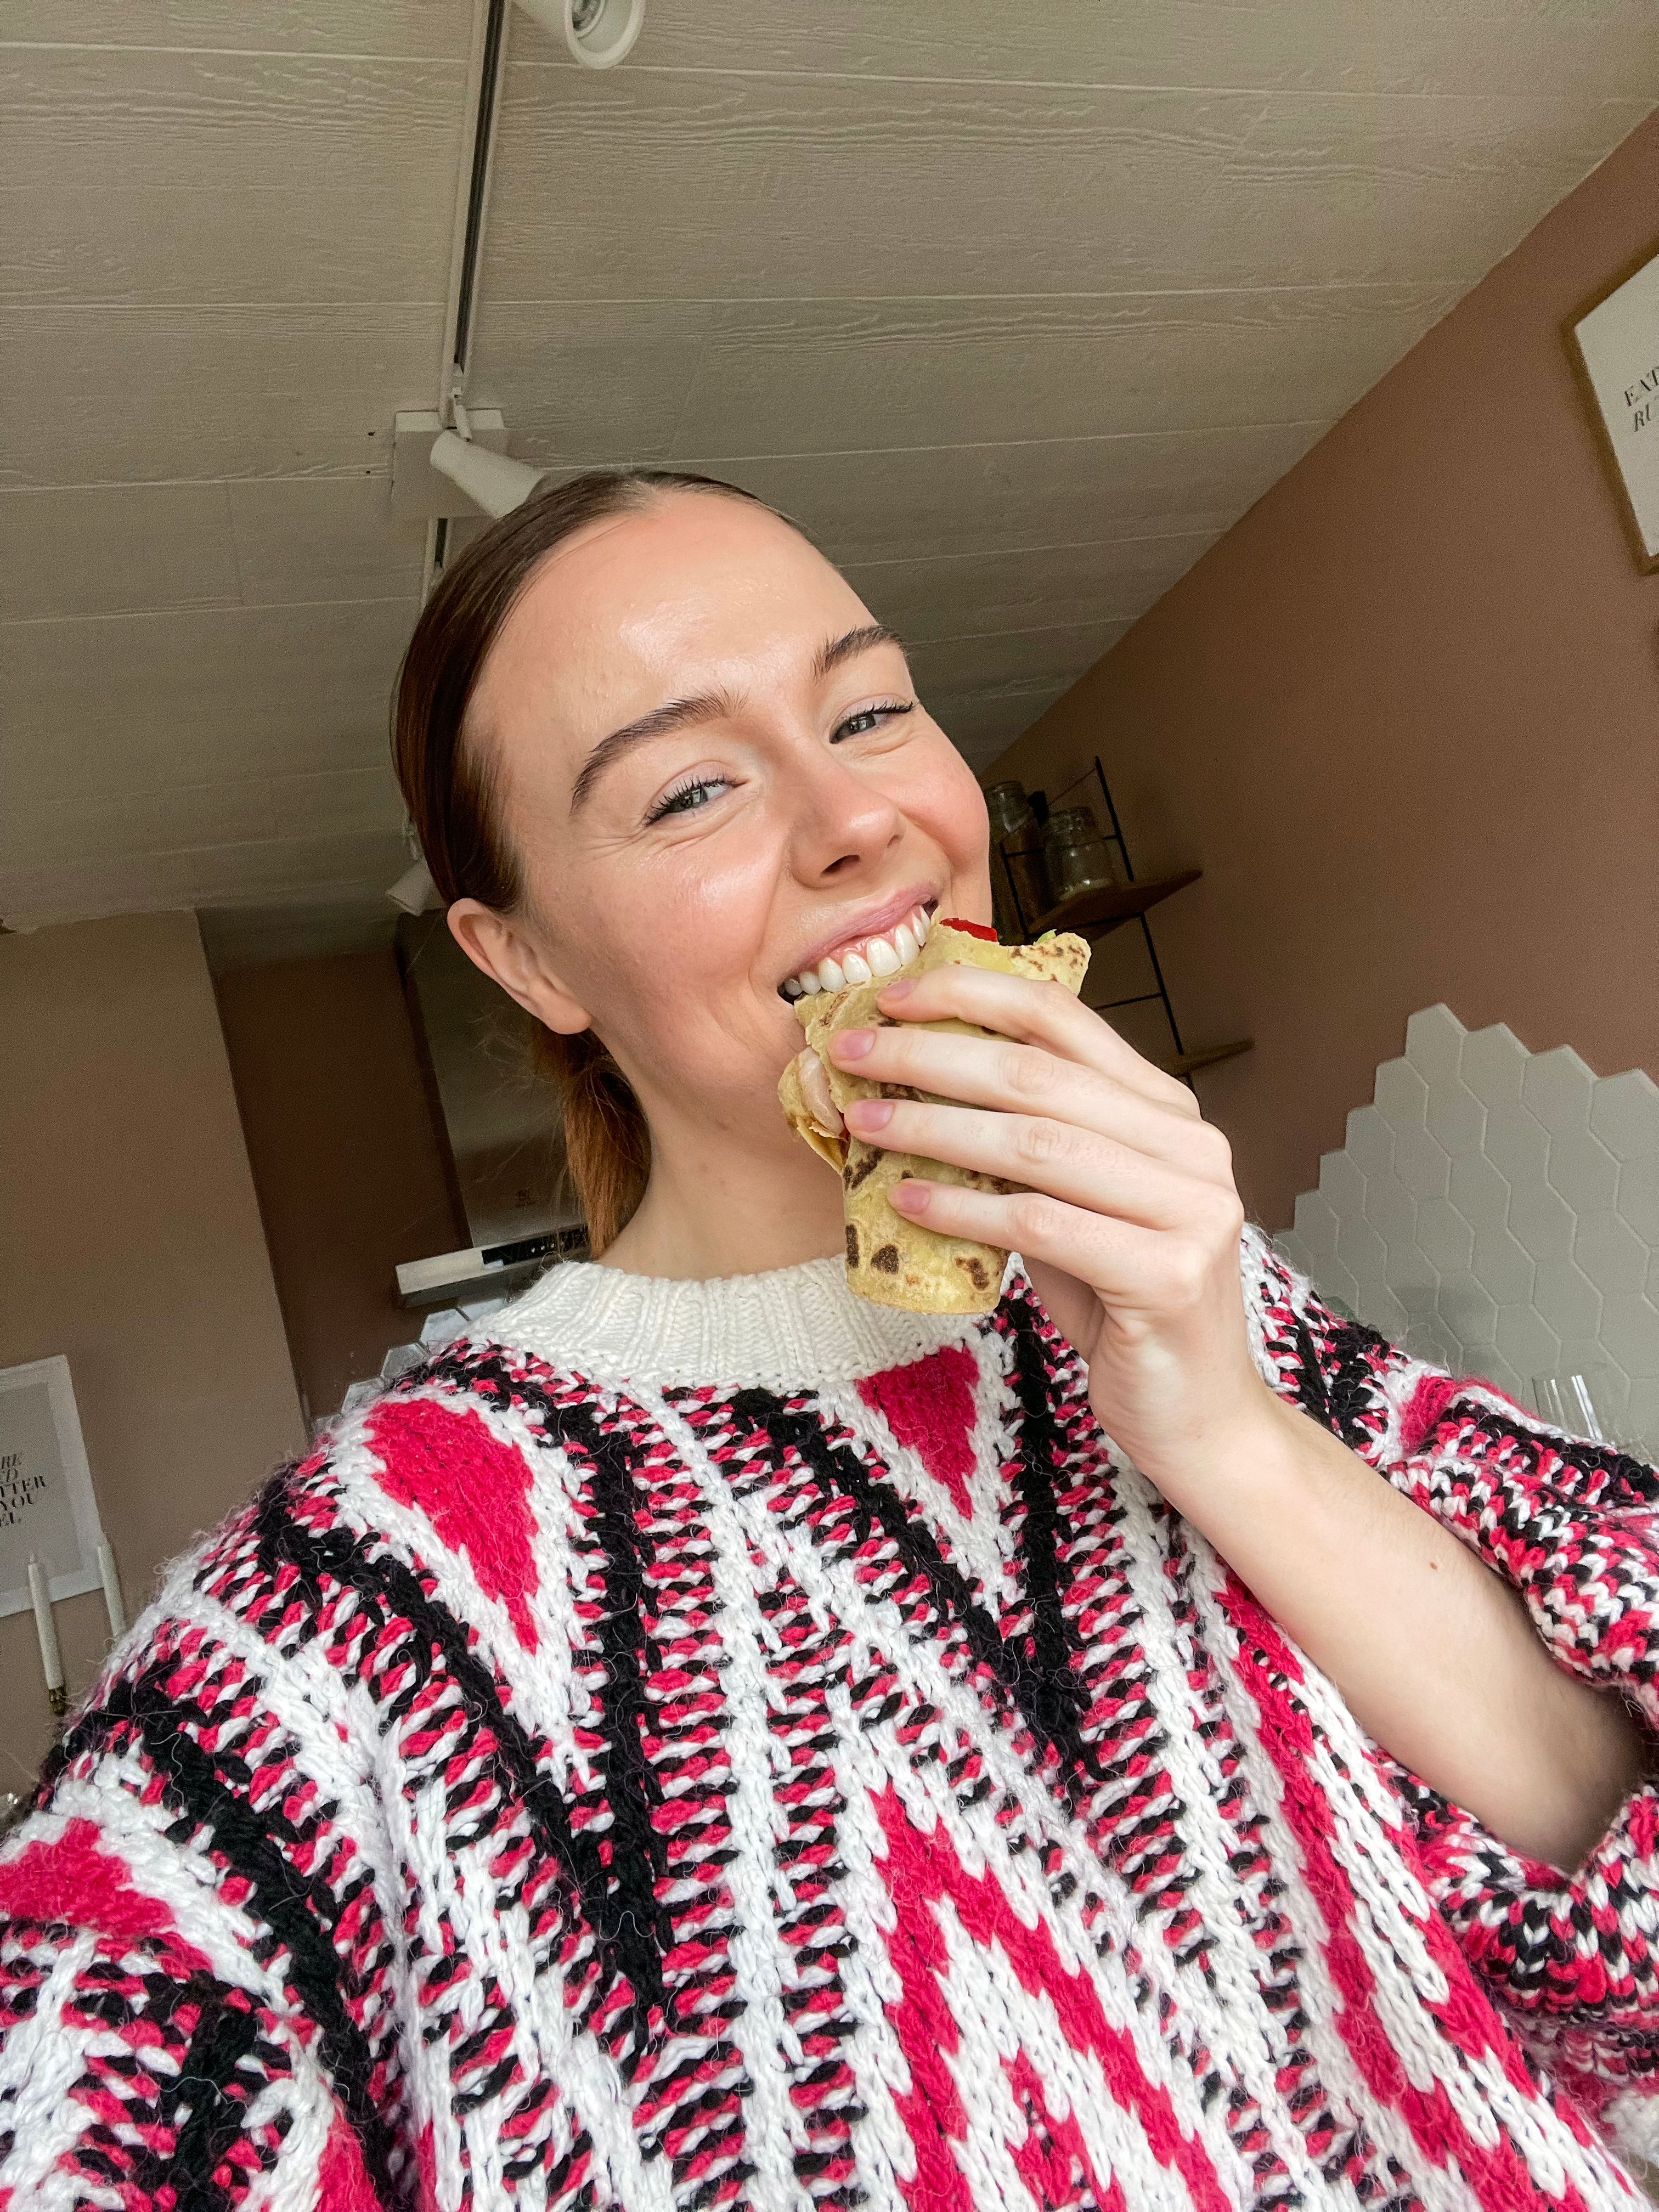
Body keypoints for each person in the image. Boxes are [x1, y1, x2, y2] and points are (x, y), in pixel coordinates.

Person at [2, 469, 1657, 2212]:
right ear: (527, 960)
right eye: (691, 789)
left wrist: (1232, 1435)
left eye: (867, 711)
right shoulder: (376, 1584)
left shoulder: (1210, 1307)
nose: (859, 817)